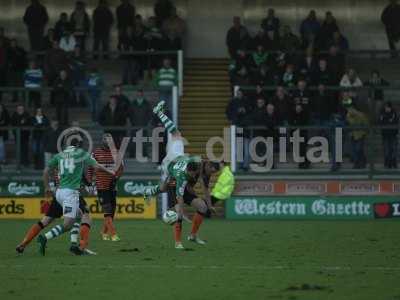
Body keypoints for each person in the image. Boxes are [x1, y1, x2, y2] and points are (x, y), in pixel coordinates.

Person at [37, 137, 115, 256]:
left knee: (80, 214)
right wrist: (110, 172)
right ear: (78, 144)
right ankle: (45, 238)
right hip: (70, 193)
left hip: (59, 192)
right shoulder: (80, 153)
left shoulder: (60, 155)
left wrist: (47, 187)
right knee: (68, 224)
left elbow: (45, 171)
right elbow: (97, 166)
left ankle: (74, 246)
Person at [144, 100, 202, 249]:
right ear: (189, 171)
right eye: (193, 173)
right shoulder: (182, 176)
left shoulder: (193, 163)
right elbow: (180, 197)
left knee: (163, 187)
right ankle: (178, 242)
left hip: (176, 156)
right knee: (177, 210)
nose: (195, 175)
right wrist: (182, 213)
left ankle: (149, 192)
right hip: (168, 163)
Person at [16, 172, 96, 255]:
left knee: (45, 221)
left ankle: (23, 244)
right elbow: (79, 174)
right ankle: (80, 247)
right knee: (85, 217)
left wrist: (47, 187)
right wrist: (88, 184)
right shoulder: (74, 161)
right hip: (70, 194)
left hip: (59, 194)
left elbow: (47, 172)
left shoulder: (58, 161)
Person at [87, 133, 124, 242]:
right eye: (106, 140)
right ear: (102, 140)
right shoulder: (96, 153)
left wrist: (116, 178)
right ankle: (113, 234)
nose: (108, 142)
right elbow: (90, 167)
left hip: (112, 186)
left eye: (110, 140)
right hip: (101, 185)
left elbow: (121, 168)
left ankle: (103, 232)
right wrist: (90, 181)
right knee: (107, 209)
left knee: (112, 211)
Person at [129, 90, 152, 158]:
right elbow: (130, 114)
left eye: (140, 94)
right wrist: (132, 122)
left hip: (143, 124)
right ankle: (132, 154)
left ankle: (144, 153)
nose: (139, 95)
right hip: (134, 124)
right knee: (133, 140)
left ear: (142, 94)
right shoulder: (133, 103)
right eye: (138, 94)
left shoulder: (146, 103)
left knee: (144, 139)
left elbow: (149, 114)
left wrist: (146, 122)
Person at [290, 104, 310, 169]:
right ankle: (304, 162)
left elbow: (304, 123)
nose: (298, 109)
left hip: (302, 135)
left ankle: (303, 163)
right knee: (298, 150)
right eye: (297, 108)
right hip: (295, 135)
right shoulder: (292, 115)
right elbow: (292, 124)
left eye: (299, 108)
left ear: (301, 109)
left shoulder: (304, 115)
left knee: (302, 149)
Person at [379, 102, 399, 168]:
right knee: (386, 149)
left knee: (393, 149)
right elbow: (381, 122)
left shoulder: (394, 114)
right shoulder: (382, 114)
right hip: (385, 134)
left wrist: (387, 120)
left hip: (393, 134)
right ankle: (387, 162)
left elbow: (395, 121)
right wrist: (388, 120)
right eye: (386, 107)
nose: (387, 108)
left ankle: (393, 162)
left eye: (388, 107)